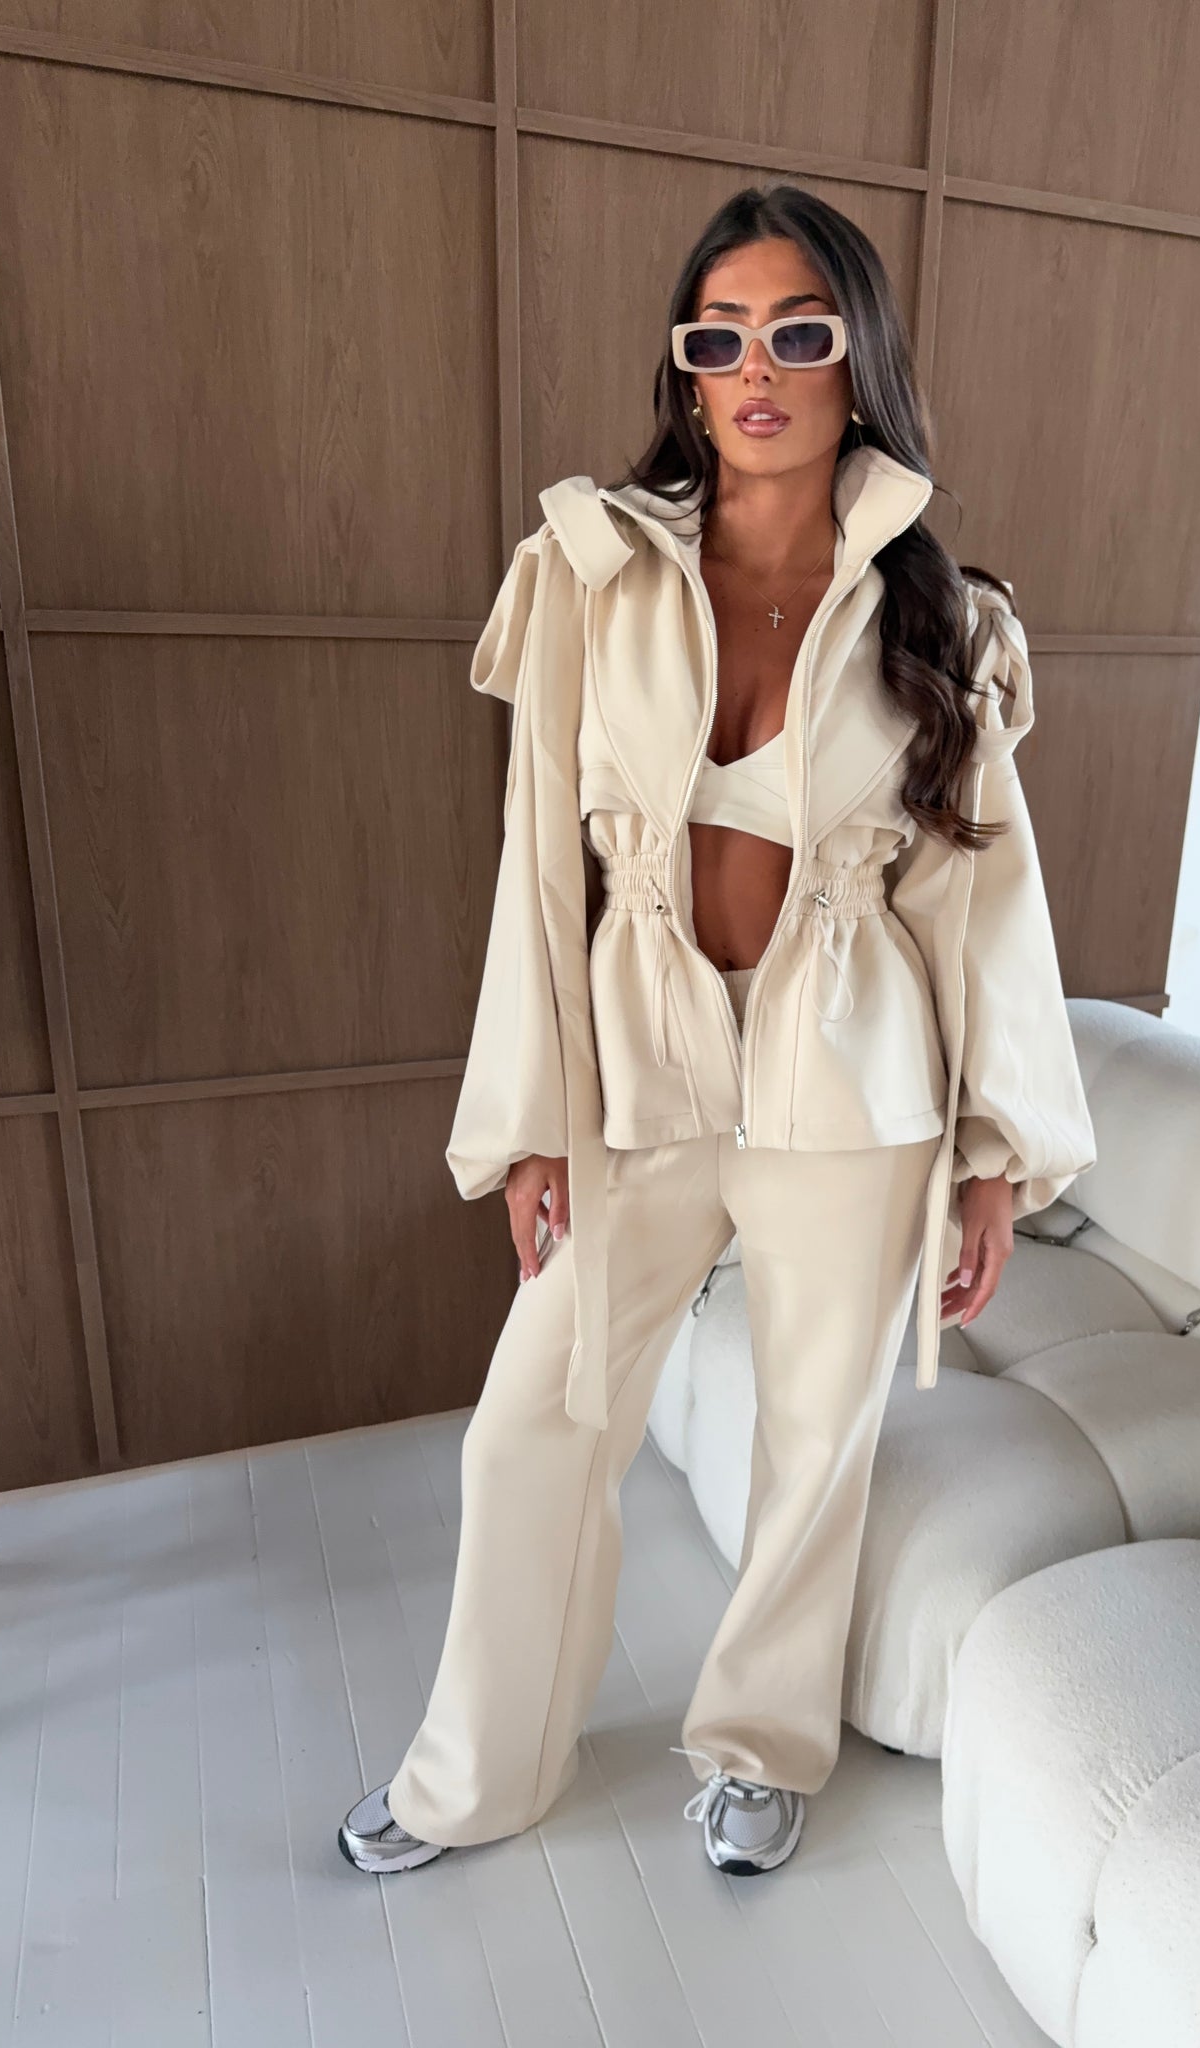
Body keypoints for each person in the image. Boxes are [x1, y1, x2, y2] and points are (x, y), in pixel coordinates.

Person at [339, 182, 1096, 1880]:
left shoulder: (944, 621)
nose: (758, 368)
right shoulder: (590, 578)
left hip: (854, 1085)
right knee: (531, 1424)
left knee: (814, 1444)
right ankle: (479, 1773)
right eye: (721, 337)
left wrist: (992, 1157)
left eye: (799, 333)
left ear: (857, 359)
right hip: (643, 1069)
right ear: (685, 371)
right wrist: (530, 1120)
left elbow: (986, 903)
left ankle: (760, 1746)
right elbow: (539, 872)